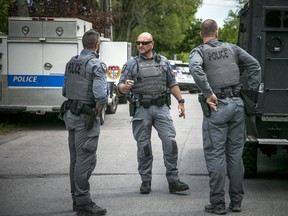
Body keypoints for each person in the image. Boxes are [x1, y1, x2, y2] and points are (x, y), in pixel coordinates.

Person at [189, 19, 261, 215]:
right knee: (235, 157)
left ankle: (218, 203)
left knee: (215, 156)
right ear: (217, 32)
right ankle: (236, 202)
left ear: (200, 34)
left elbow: (195, 68)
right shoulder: (232, 48)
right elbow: (255, 66)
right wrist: (252, 95)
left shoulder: (199, 51)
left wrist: (207, 93)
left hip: (216, 107)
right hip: (237, 105)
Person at [118, 32, 189, 195]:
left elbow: (172, 84)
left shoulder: (163, 62)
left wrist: (181, 101)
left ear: (152, 44)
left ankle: (173, 180)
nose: (141, 46)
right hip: (141, 109)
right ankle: (146, 181)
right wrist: (125, 86)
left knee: (170, 142)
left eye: (144, 43)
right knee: (144, 146)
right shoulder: (131, 64)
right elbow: (119, 87)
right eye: (138, 43)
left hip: (161, 107)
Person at [60, 29, 108, 216]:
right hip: (84, 117)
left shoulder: (71, 62)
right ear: (97, 45)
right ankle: (83, 201)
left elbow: (65, 91)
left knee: (75, 159)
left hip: (70, 114)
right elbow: (101, 96)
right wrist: (97, 113)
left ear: (83, 44)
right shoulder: (95, 64)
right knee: (86, 158)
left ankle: (76, 198)